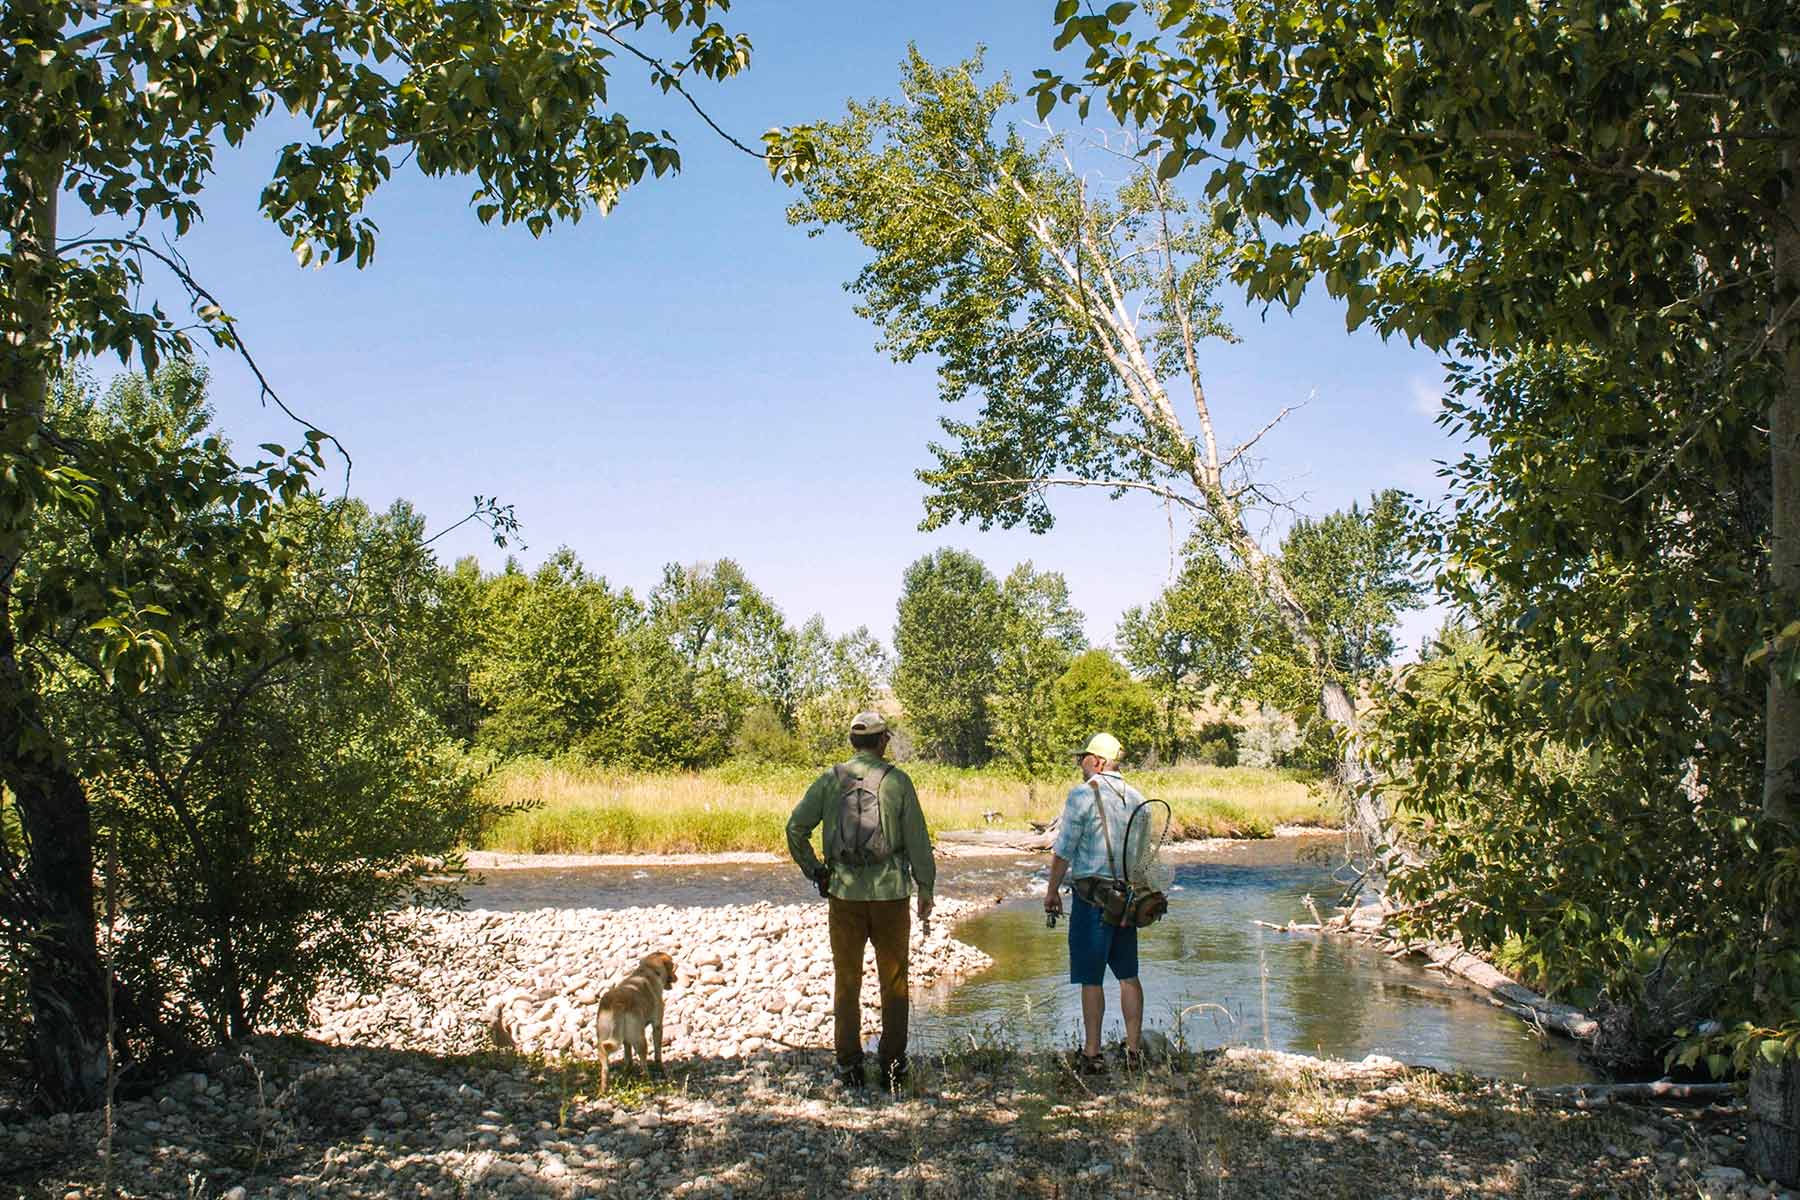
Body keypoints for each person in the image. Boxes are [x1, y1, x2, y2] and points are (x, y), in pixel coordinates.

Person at [786, 711, 935, 1091]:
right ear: (883, 740)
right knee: (895, 981)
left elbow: (795, 829)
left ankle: (849, 1066)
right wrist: (926, 887)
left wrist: (816, 871)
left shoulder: (829, 780)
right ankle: (893, 1068)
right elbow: (917, 838)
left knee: (847, 981)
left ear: (853, 742)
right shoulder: (898, 782)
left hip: (844, 893)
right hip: (891, 895)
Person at [1043, 731, 1147, 1073]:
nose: (1080, 763)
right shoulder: (1137, 797)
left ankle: (1092, 1054)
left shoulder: (1082, 796)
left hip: (1092, 900)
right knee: (1128, 975)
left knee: (1091, 978)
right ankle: (1134, 1051)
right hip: (1127, 898)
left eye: (1084, 757)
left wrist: (1052, 890)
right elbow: (1143, 855)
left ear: (1098, 762)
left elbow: (1063, 851)